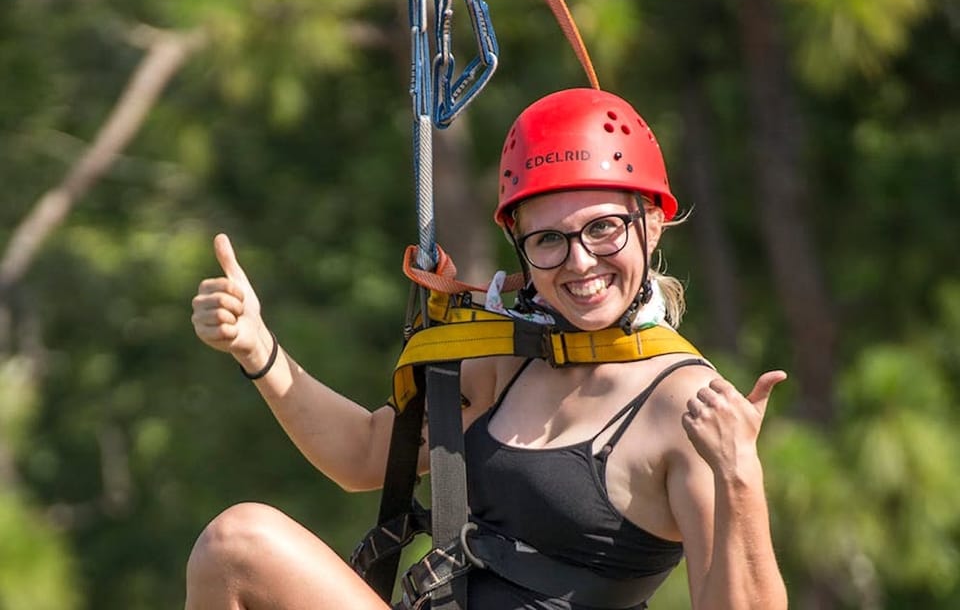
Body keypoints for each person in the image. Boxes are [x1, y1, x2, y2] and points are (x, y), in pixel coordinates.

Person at [186, 88, 788, 610]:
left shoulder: (689, 411)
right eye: (549, 239)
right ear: (520, 247)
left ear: (650, 222)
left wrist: (738, 475)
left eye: (602, 227)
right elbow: (365, 453)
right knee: (235, 544)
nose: (580, 262)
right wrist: (259, 348)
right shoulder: (512, 357)